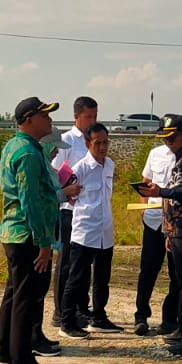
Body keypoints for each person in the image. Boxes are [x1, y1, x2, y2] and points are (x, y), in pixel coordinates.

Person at [0, 97, 62, 364]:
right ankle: (23, 361)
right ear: (29, 119)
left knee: (14, 292)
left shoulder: (16, 146)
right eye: (44, 116)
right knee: (26, 296)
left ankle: (5, 348)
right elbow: (30, 202)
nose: (49, 121)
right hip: (27, 235)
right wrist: (44, 243)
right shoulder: (29, 154)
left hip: (15, 232)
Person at [135, 114, 182, 356]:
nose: (169, 142)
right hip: (178, 227)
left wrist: (162, 191)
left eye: (173, 137)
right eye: (165, 138)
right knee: (181, 278)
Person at [62, 123, 121, 332]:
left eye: (106, 142)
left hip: (105, 230)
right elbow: (67, 195)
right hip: (85, 231)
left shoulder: (110, 165)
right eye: (98, 143)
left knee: (102, 278)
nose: (103, 147)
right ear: (88, 144)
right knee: (77, 278)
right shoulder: (80, 168)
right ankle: (67, 322)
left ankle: (99, 316)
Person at [49, 96, 97, 339]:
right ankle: (60, 311)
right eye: (88, 117)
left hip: (88, 211)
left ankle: (79, 308)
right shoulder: (67, 140)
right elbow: (57, 172)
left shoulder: (92, 140)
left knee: (83, 262)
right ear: (76, 116)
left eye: (95, 116)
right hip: (69, 209)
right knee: (67, 261)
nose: (92, 121)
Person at [132, 136, 178, 337]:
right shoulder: (155, 153)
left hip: (176, 221)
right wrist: (144, 207)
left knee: (176, 272)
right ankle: (141, 315)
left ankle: (170, 318)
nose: (168, 140)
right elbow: (146, 182)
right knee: (148, 269)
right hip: (153, 219)